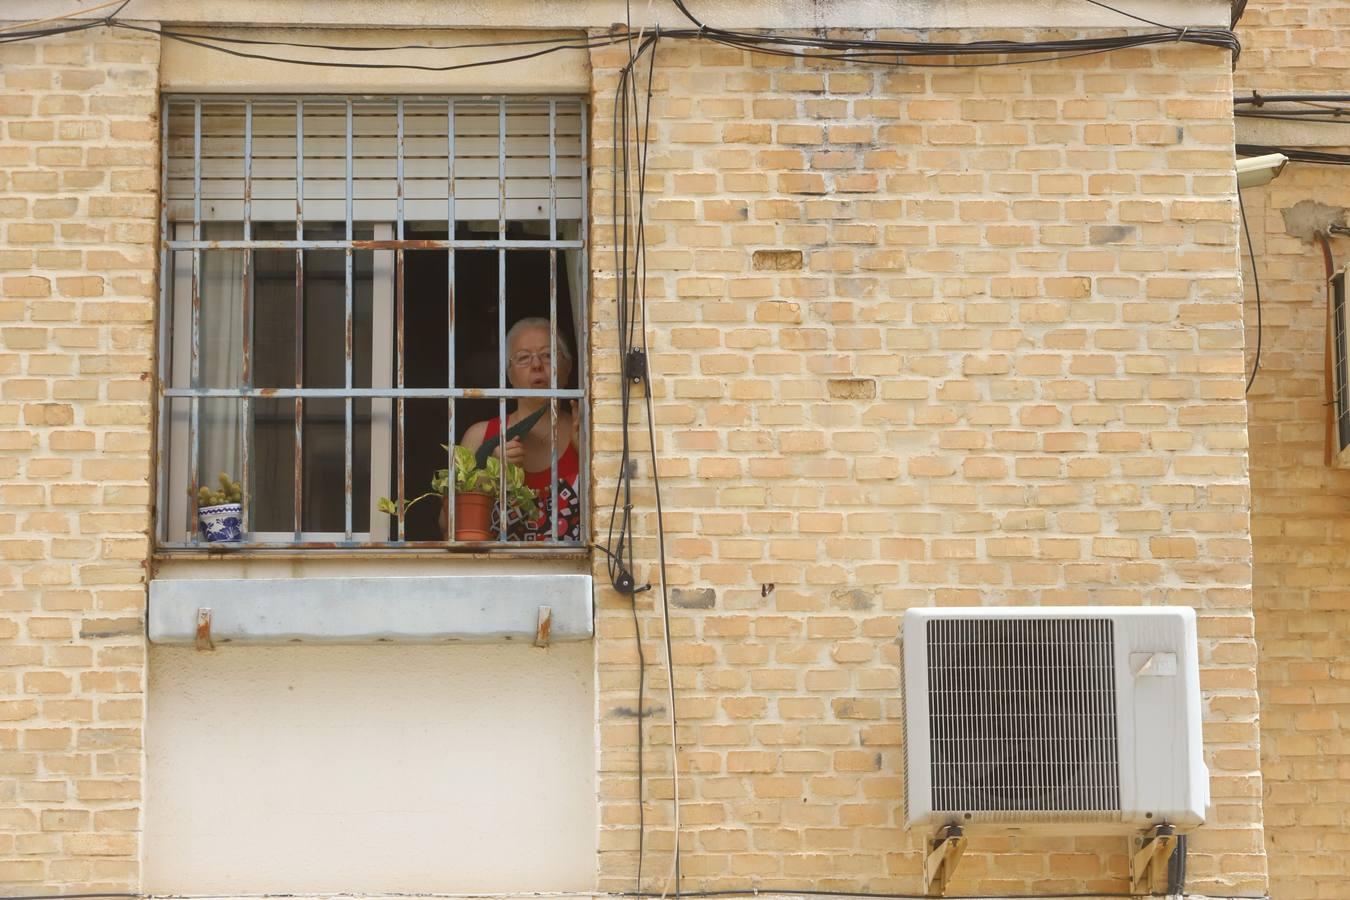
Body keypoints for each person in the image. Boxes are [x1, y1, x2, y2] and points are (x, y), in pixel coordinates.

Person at [455, 317, 581, 542]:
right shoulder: (481, 436)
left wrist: (586, 454)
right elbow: (448, 524)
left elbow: (619, 517)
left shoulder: (587, 432)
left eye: (548, 355)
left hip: (572, 573)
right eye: (523, 358)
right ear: (508, 374)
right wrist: (490, 473)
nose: (536, 365)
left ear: (568, 367)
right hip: (497, 574)